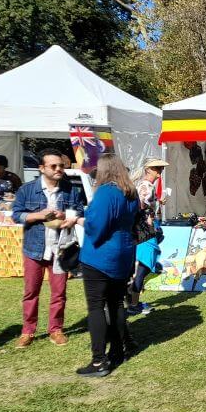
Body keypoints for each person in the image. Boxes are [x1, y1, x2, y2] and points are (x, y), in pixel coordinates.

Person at [11, 149, 85, 349]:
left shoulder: (71, 189)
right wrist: (39, 215)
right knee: (31, 292)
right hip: (34, 248)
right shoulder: (27, 190)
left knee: (59, 292)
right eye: (53, 166)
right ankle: (27, 331)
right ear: (42, 168)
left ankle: (56, 329)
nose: (59, 169)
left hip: (60, 248)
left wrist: (67, 217)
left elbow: (78, 211)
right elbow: (16, 215)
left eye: (61, 165)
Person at [76, 154, 141, 377]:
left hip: (101, 255)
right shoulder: (131, 193)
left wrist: (80, 219)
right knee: (116, 304)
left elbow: (96, 227)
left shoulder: (106, 192)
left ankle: (98, 361)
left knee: (96, 306)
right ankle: (117, 350)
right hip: (123, 253)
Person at [128, 158, 169, 316]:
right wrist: (148, 216)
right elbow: (140, 205)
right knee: (144, 267)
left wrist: (156, 203)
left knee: (144, 267)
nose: (160, 171)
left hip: (145, 230)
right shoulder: (146, 185)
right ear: (148, 170)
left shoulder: (145, 185)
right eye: (157, 168)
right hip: (145, 231)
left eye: (160, 168)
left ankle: (133, 300)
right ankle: (133, 304)